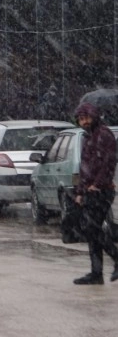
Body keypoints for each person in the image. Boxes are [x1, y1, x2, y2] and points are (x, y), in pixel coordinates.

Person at [72, 102, 118, 284]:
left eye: (86, 118)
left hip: (102, 191)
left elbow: (108, 163)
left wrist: (97, 184)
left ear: (94, 116)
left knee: (92, 228)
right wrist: (80, 191)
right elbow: (86, 169)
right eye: (81, 119)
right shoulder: (89, 137)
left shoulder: (103, 134)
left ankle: (114, 258)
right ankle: (96, 273)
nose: (84, 122)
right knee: (92, 231)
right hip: (91, 191)